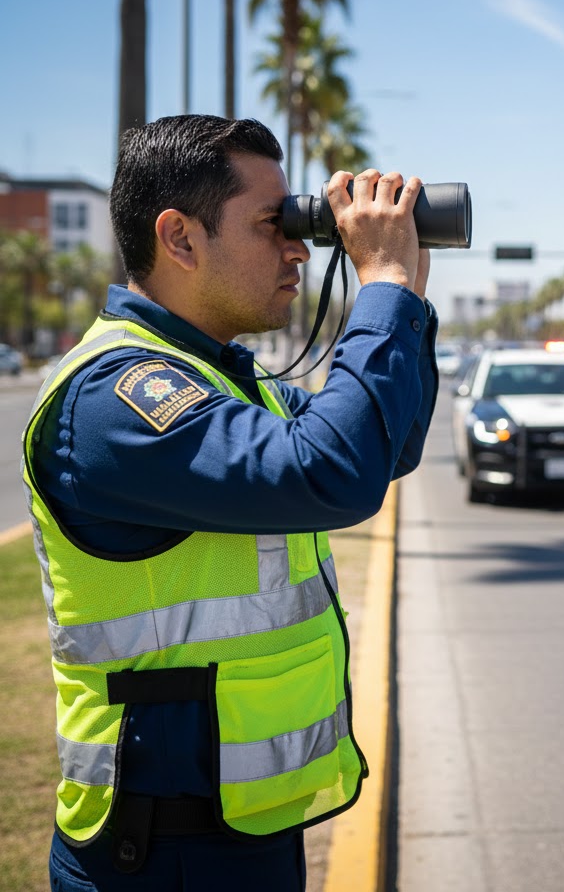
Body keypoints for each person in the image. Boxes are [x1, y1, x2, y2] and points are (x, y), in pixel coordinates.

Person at [21, 114, 439, 890]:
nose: (301, 249)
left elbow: (385, 446)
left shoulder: (220, 380)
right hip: (158, 854)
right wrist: (377, 289)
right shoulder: (117, 397)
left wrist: (404, 292)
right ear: (179, 239)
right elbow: (332, 474)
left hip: (242, 835)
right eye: (271, 225)